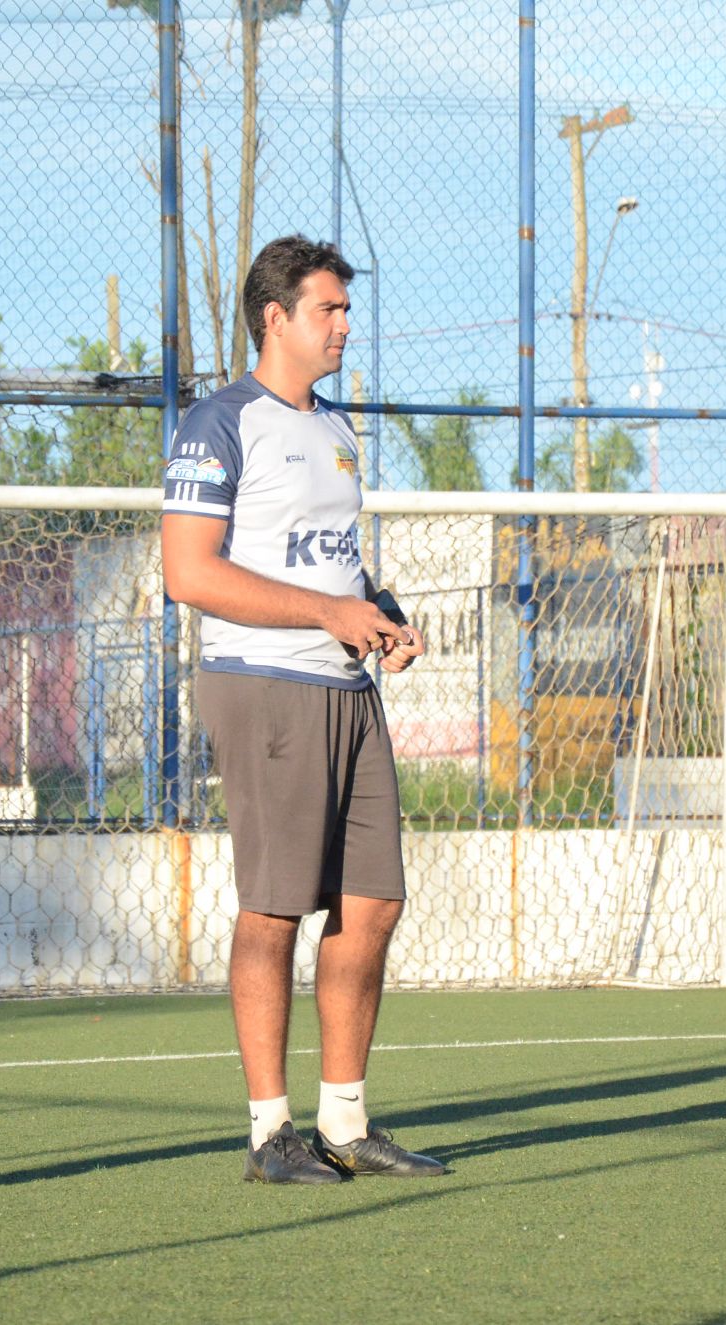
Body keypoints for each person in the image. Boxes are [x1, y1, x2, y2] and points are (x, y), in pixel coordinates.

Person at [161, 235, 448, 1184]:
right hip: (264, 682)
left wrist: (381, 615)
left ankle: (346, 1122)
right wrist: (327, 611)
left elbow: (335, 562)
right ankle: (267, 1132)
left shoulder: (337, 428)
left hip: (346, 687)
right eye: (328, 309)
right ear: (274, 316)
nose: (344, 325)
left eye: (345, 308)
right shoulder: (217, 423)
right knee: (275, 907)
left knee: (374, 902)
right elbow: (188, 572)